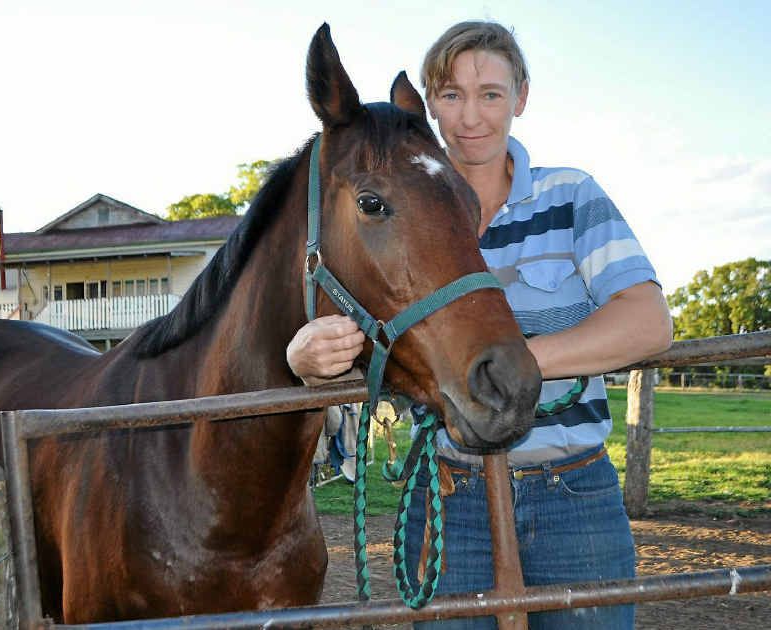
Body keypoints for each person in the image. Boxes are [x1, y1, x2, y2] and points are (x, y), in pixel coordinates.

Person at [286, 21, 673, 629]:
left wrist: (513, 365)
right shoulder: (402, 207)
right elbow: (380, 342)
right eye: (452, 95)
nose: (471, 116)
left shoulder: (571, 196)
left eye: (490, 94)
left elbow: (648, 322)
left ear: (520, 98)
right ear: (428, 106)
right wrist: (306, 360)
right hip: (448, 495)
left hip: (572, 494)